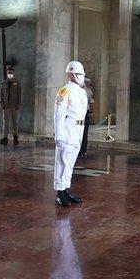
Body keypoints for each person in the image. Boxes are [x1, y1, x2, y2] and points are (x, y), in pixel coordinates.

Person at [53, 61, 89, 207]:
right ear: (72, 75)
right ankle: (59, 192)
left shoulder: (82, 91)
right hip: (67, 130)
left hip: (78, 131)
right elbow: (58, 115)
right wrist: (59, 135)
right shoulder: (65, 91)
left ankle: (66, 189)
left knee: (70, 163)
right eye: (79, 74)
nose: (81, 77)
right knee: (62, 161)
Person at [0, 64, 21, 145]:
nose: (10, 74)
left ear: (13, 74)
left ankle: (15, 137)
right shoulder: (3, 83)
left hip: (14, 106)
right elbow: (0, 94)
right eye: (8, 73)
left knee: (15, 122)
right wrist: (1, 103)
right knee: (5, 122)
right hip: (6, 106)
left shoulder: (17, 83)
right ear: (7, 74)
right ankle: (5, 138)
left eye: (11, 73)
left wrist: (18, 104)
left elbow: (19, 94)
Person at [78, 78, 95, 158]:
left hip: (85, 114)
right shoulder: (75, 90)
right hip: (77, 114)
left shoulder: (88, 91)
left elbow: (91, 102)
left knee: (84, 133)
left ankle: (83, 151)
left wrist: (90, 112)